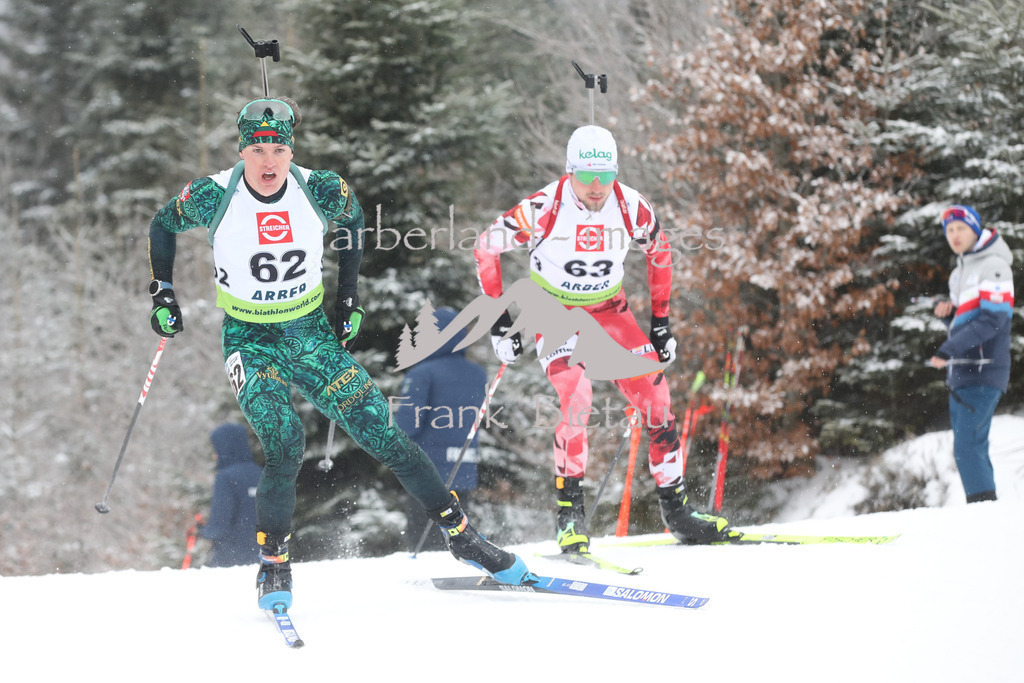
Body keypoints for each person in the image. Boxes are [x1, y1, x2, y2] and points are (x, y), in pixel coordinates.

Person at [146, 96, 535, 610]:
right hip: (251, 340)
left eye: (279, 148)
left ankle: (464, 537)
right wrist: (163, 293)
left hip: (310, 335)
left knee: (385, 436)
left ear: (291, 150)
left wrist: (348, 297)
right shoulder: (212, 194)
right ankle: (273, 569)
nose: (268, 161)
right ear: (242, 150)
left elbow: (352, 225)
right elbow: (161, 224)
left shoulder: (321, 187)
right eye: (258, 149)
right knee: (283, 443)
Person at [473, 124, 733, 551]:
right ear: (569, 171)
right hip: (554, 312)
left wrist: (661, 323)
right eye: (587, 176)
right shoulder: (543, 207)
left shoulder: (631, 206)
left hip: (610, 311)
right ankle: (569, 515)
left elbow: (660, 253)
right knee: (576, 399)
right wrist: (500, 323)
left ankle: (678, 511)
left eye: (606, 176)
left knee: (657, 398)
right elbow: (486, 247)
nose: (597, 187)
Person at [929, 204, 1014, 503]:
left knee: (967, 448)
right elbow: (963, 322)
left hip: (984, 369)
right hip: (964, 371)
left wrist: (948, 349)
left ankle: (983, 514)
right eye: (949, 229)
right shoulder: (959, 273)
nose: (954, 234)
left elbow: (994, 319)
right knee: (969, 446)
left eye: (961, 228)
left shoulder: (993, 266)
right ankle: (986, 510)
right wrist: (945, 318)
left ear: (976, 229)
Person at [393, 306, 487, 551]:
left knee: (422, 533)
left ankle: (424, 572)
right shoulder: (478, 374)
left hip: (427, 468)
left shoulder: (422, 373)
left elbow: (409, 424)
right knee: (457, 526)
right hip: (464, 462)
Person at [199, 422, 262, 567]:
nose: (215, 455)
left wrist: (202, 531)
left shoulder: (226, 478)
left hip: (230, 560)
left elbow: (219, 524)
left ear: (225, 447)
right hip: (263, 557)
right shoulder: (261, 473)